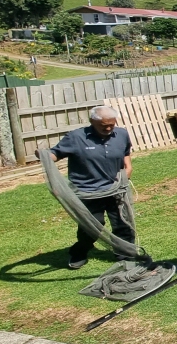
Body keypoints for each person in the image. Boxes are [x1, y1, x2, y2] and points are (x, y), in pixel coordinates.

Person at [49, 105, 134, 269]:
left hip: (116, 188)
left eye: (112, 125)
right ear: (92, 122)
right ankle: (79, 252)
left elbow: (125, 151)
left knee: (123, 223)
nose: (108, 128)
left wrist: (128, 167)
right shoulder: (76, 137)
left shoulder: (122, 134)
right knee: (92, 226)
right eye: (103, 126)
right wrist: (45, 156)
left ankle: (125, 255)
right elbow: (55, 154)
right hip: (88, 191)